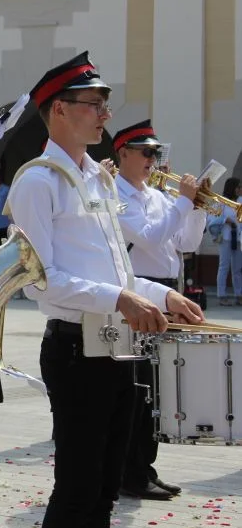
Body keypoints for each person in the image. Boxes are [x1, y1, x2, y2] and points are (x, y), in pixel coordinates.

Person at [4, 52, 204, 527]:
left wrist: (160, 295)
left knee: (106, 488)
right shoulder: (37, 180)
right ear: (59, 109)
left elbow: (117, 272)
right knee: (77, 488)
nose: (105, 116)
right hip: (76, 348)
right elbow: (40, 278)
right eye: (94, 104)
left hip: (117, 344)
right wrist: (119, 299)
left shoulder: (99, 178)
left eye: (104, 105)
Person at [111, 118, 207, 501]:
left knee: (155, 391)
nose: (154, 160)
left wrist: (196, 207)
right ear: (123, 154)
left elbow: (187, 242)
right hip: (135, 293)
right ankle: (129, 473)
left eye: (156, 153)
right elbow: (149, 237)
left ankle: (143, 468)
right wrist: (183, 200)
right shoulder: (116, 196)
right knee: (137, 388)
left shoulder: (153, 195)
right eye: (147, 153)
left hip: (166, 291)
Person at [215, 177, 242, 305]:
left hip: (238, 238)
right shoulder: (221, 202)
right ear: (232, 188)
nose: (239, 190)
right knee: (224, 266)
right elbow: (212, 216)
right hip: (225, 238)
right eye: (238, 187)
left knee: (237, 268)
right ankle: (222, 295)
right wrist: (226, 220)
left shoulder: (241, 200)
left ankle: (239, 294)